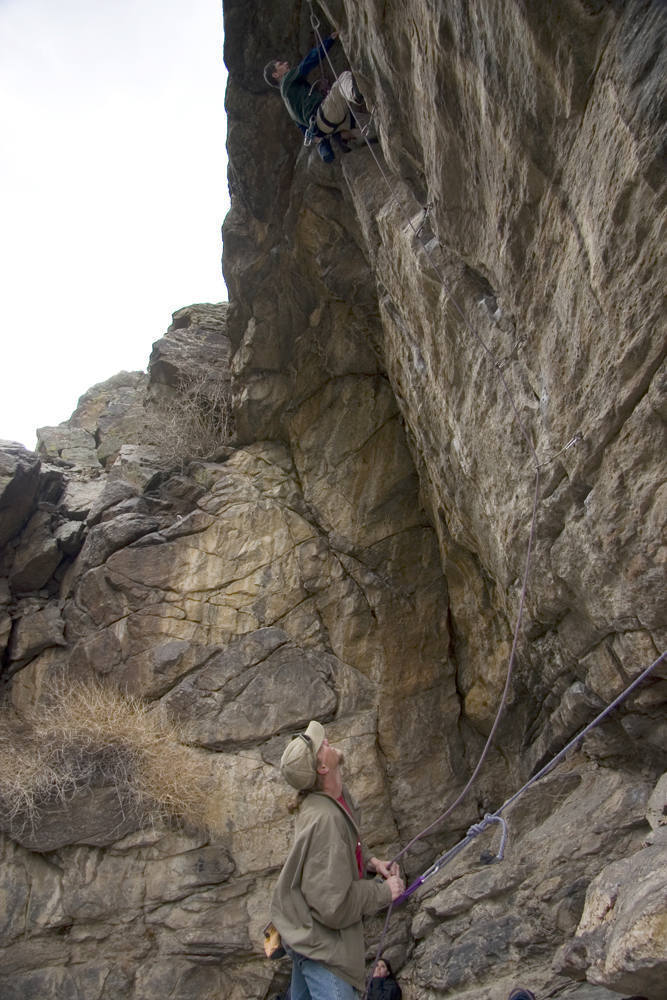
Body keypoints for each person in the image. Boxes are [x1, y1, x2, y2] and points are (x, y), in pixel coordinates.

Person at [271, 720, 405, 999]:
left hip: (304, 934)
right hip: (321, 948)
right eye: (324, 745)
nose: (328, 741)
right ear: (322, 768)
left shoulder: (335, 798)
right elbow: (334, 906)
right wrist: (383, 892)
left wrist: (371, 863)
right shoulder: (326, 820)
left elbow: (347, 847)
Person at [263, 33, 366, 163]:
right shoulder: (286, 81)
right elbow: (309, 62)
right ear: (276, 74)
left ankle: (343, 136)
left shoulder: (289, 104)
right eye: (281, 64)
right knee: (343, 80)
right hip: (325, 115)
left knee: (367, 126)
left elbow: (307, 132)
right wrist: (330, 40)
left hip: (324, 126)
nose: (286, 63)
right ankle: (356, 94)